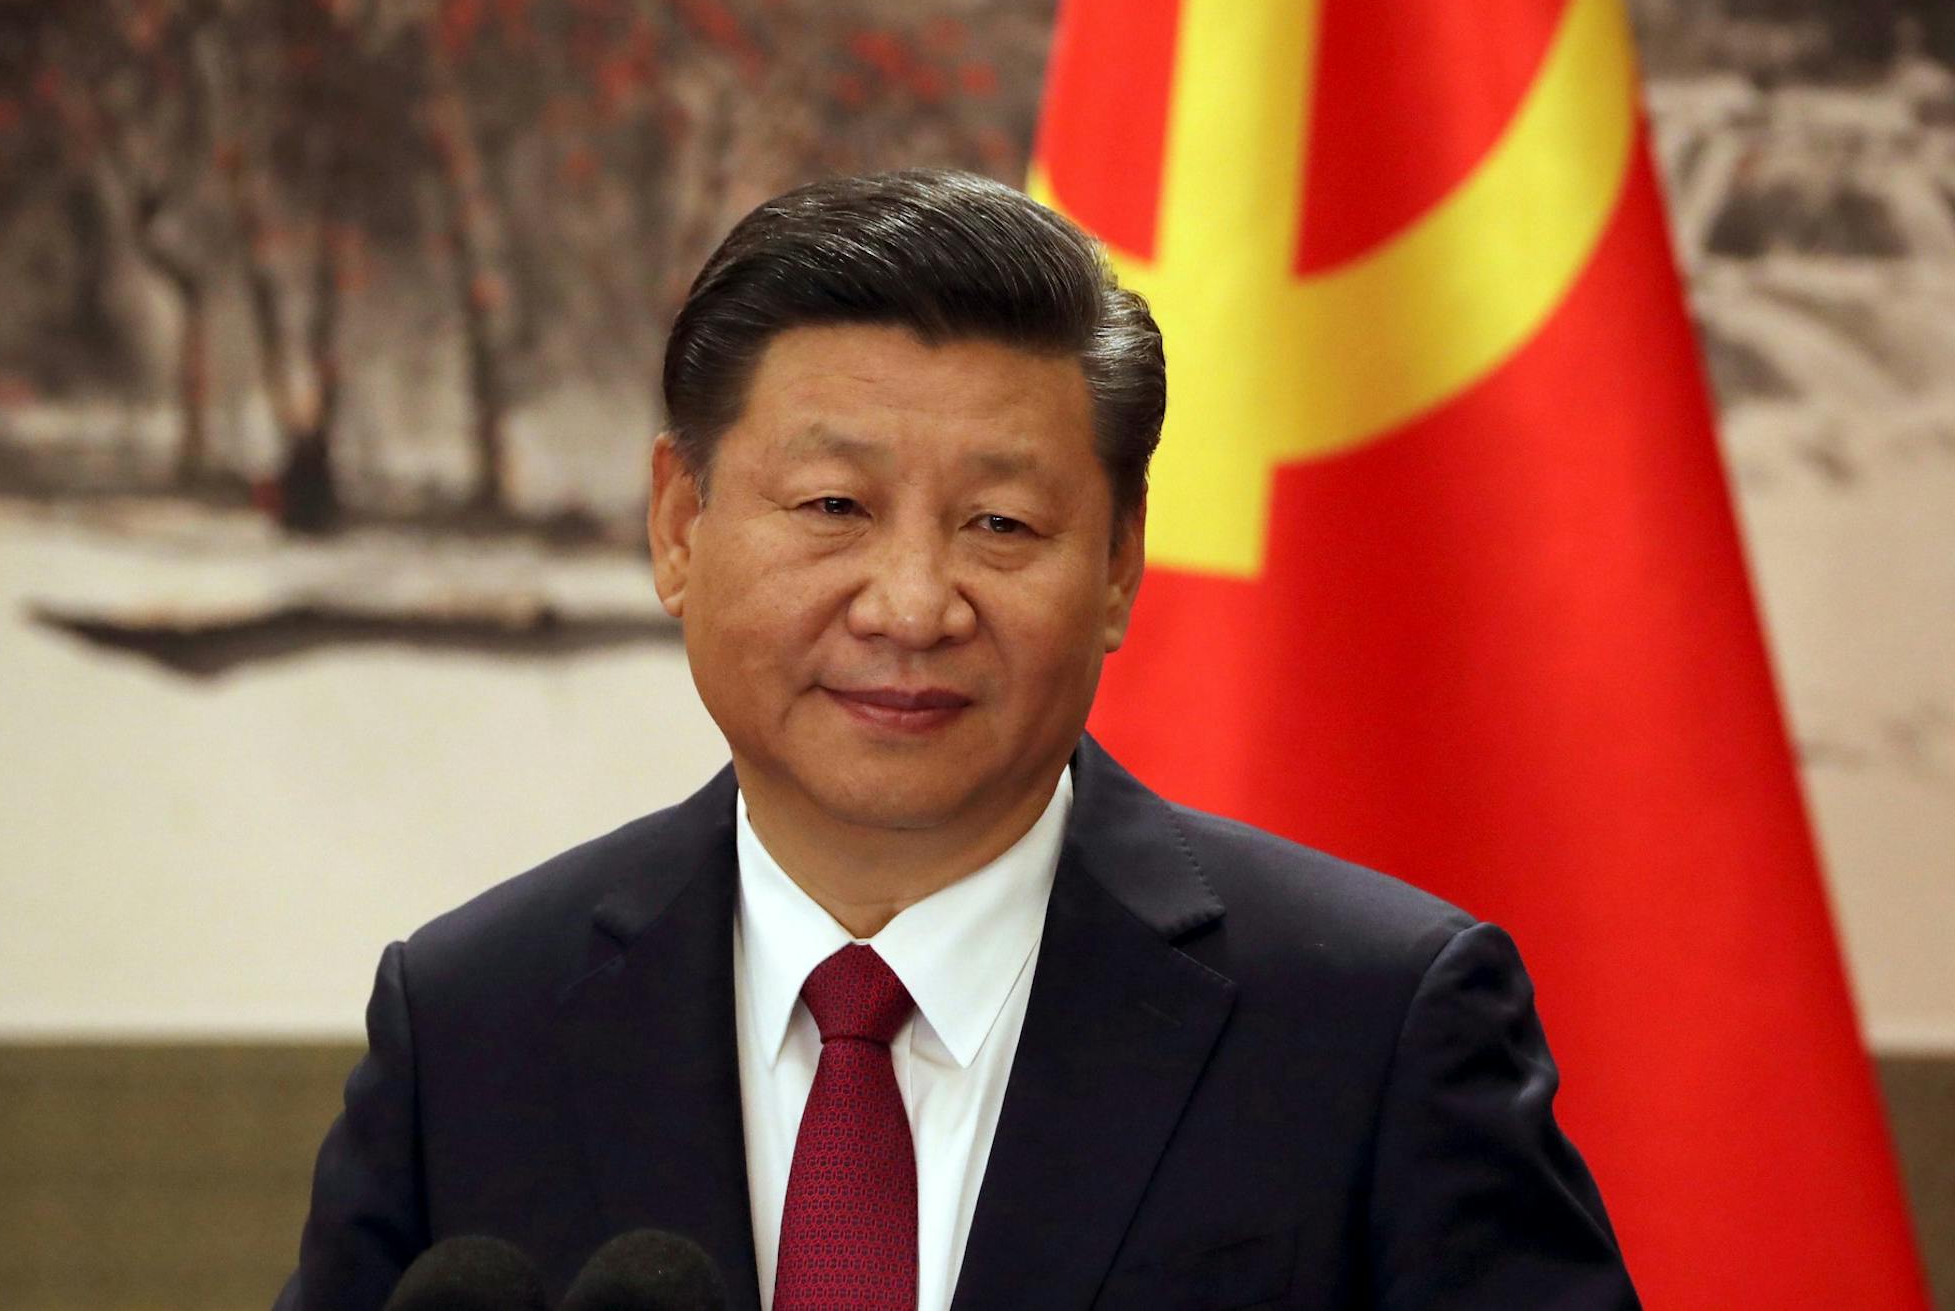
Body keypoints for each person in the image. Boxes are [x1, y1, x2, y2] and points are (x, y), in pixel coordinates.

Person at [275, 169, 1638, 1310]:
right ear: (679, 526)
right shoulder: (471, 1027)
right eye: (830, 506)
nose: (913, 606)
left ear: (1117, 568)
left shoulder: (1375, 1023)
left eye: (1002, 525)